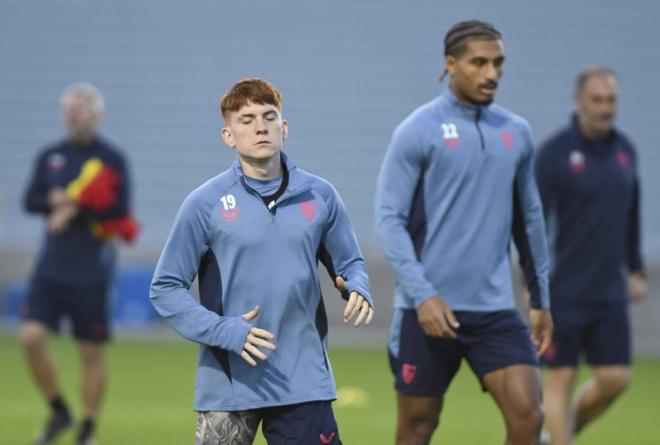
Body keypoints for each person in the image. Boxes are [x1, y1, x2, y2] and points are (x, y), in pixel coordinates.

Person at [150, 77, 373, 445]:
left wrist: (358, 287)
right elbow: (165, 289)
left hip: (302, 379)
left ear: (284, 128)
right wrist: (227, 331)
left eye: (269, 117)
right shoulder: (204, 204)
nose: (260, 127)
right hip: (228, 383)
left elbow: (350, 263)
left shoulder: (320, 196)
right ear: (228, 136)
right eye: (247, 119)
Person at [375, 20, 553, 445]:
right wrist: (423, 295)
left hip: (494, 310)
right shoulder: (417, 131)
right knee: (417, 428)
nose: (491, 74)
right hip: (426, 311)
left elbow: (529, 219)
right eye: (479, 63)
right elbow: (389, 220)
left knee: (528, 420)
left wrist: (540, 298)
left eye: (498, 63)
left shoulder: (516, 132)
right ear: (451, 64)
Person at [535, 66, 648, 445]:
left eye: (611, 100)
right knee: (560, 378)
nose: (605, 108)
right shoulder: (554, 153)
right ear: (578, 99)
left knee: (616, 378)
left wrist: (634, 268)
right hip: (565, 289)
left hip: (609, 290)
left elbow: (632, 214)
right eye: (597, 100)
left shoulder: (625, 152)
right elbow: (532, 223)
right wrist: (534, 284)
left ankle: (557, 436)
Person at [21, 82, 137, 445]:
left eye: (81, 106)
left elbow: (120, 209)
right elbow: (30, 200)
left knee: (90, 349)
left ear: (97, 113)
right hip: (51, 266)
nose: (74, 112)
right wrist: (53, 201)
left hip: (92, 268)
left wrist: (74, 206)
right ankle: (58, 409)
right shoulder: (50, 156)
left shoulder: (111, 158)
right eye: (69, 107)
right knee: (30, 336)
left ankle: (87, 427)